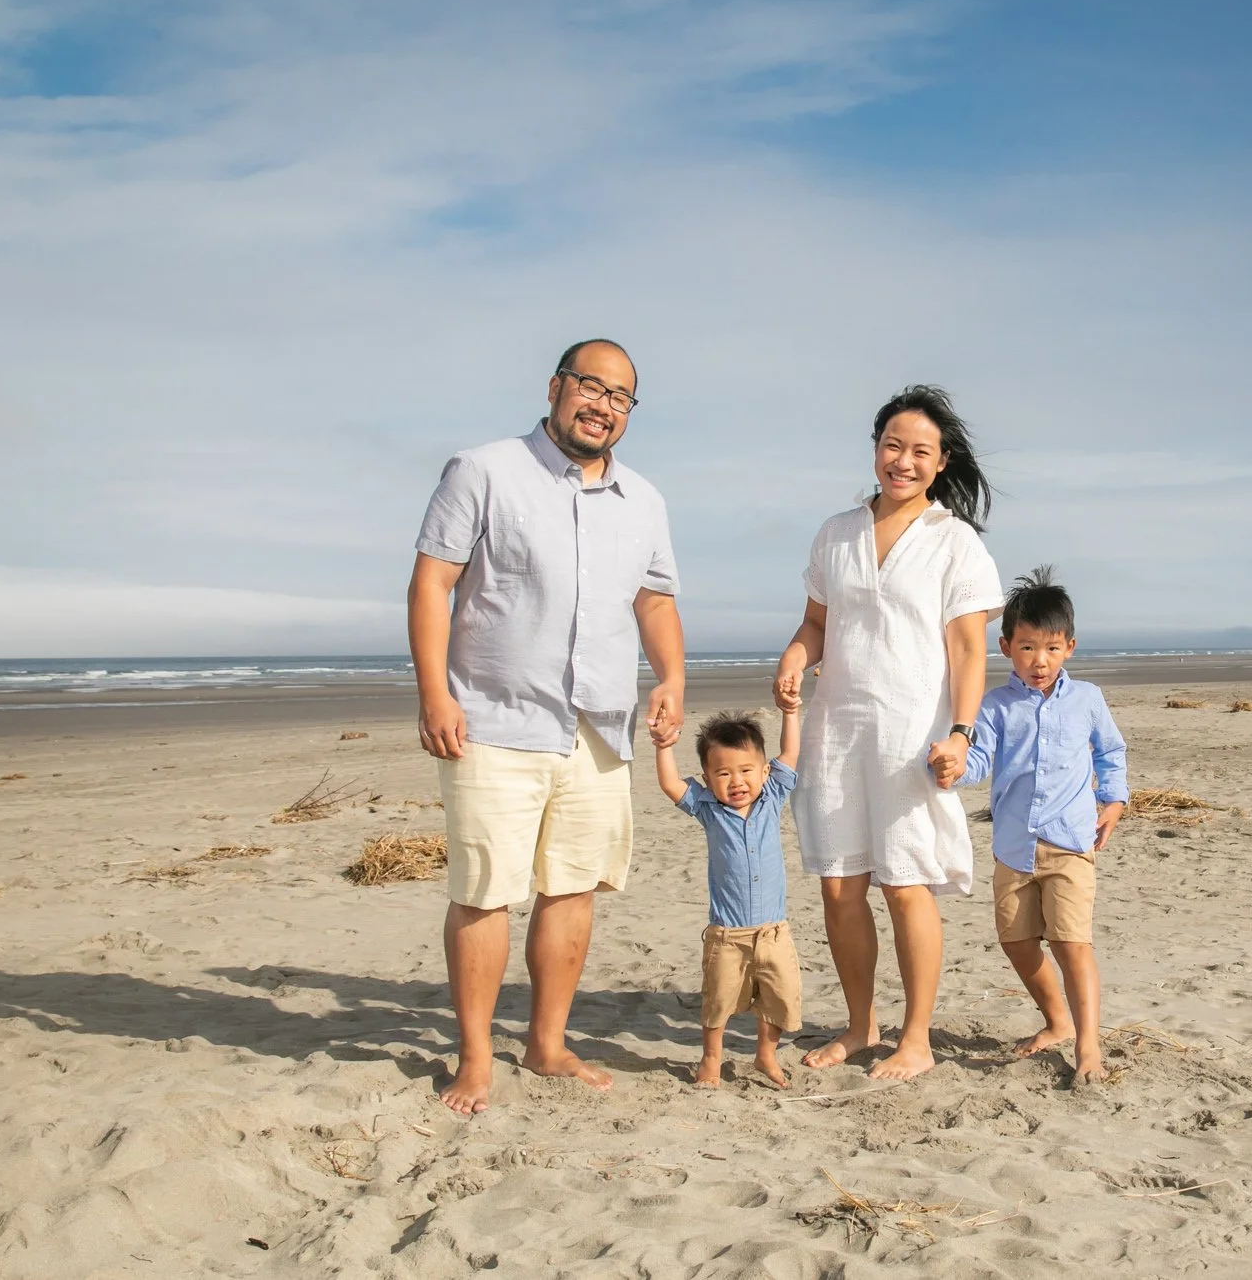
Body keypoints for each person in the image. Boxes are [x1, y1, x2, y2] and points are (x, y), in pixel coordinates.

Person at [408, 338, 684, 1114]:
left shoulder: (646, 502)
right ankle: (473, 1058)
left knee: (573, 888)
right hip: (491, 716)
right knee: (484, 891)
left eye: (621, 397)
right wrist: (436, 694)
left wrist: (671, 677)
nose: (603, 406)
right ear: (557, 387)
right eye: (591, 387)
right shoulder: (484, 470)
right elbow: (433, 582)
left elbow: (655, 602)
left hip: (598, 725)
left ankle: (547, 1042)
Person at [774, 385, 1003, 1082]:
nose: (902, 460)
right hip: (836, 729)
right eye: (892, 445)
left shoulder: (953, 542)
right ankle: (859, 1022)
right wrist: (795, 654)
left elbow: (968, 650)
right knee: (840, 886)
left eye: (919, 451)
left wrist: (961, 732)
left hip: (913, 734)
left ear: (941, 462)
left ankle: (916, 1036)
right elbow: (817, 623)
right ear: (876, 448)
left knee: (908, 884)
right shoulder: (836, 532)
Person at [934, 566, 1127, 1086]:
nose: (1038, 661)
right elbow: (980, 761)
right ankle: (1057, 1020)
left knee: (1071, 945)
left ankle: (1088, 1046)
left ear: (1069, 647)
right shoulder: (994, 706)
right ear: (1005, 646)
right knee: (1017, 941)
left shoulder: (1087, 699)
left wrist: (1114, 800)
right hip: (1014, 849)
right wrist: (953, 768)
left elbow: (1110, 751)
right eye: (1026, 648)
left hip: (1069, 845)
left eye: (1051, 648)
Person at [653, 708, 802, 1089]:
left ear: (764, 771)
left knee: (778, 999)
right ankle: (711, 1060)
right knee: (717, 1003)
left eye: (746, 770)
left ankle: (766, 1055)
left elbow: (790, 752)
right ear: (707, 779)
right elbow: (671, 784)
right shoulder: (709, 810)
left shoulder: (772, 799)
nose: (736, 781)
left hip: (773, 932)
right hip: (727, 936)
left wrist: (791, 711)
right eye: (723, 773)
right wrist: (663, 746)